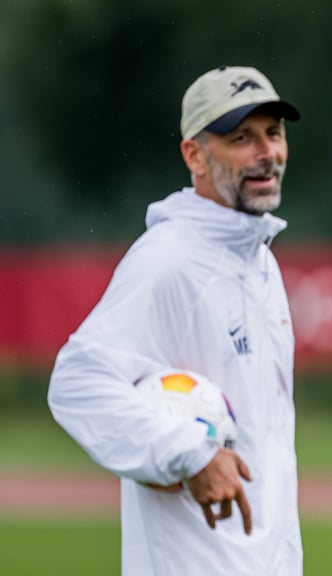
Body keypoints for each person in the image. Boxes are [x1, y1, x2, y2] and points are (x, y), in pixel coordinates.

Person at [48, 65, 303, 575]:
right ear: (195, 155)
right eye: (241, 138)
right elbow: (76, 382)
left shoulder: (260, 262)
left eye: (273, 134)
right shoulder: (169, 259)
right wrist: (190, 454)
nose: (266, 153)